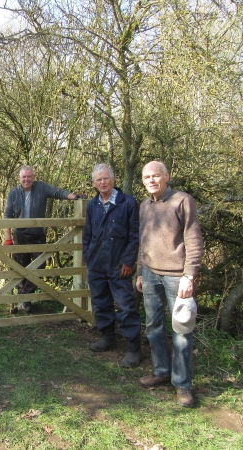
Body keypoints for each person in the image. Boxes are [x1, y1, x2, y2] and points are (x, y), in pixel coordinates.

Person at [136, 161, 203, 408]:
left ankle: (183, 385)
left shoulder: (182, 201)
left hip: (177, 276)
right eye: (146, 177)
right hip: (151, 274)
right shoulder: (144, 205)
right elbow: (142, 241)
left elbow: (193, 239)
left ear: (167, 176)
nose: (151, 180)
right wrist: (141, 272)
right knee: (154, 326)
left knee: (182, 331)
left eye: (156, 176)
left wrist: (190, 275)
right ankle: (162, 371)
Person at [83, 164, 142, 368]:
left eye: (105, 178)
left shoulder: (128, 203)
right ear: (93, 183)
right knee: (100, 302)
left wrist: (128, 261)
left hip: (119, 264)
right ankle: (108, 338)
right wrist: (88, 258)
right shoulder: (93, 205)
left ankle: (134, 348)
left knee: (125, 305)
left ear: (113, 179)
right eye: (98, 180)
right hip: (97, 263)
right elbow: (87, 236)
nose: (102, 182)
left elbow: (135, 236)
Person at [4, 165, 80, 312]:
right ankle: (26, 302)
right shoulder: (13, 193)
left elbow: (57, 192)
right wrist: (8, 238)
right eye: (23, 177)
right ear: (19, 178)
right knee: (21, 268)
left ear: (34, 177)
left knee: (40, 266)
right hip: (19, 235)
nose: (26, 179)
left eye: (29, 176)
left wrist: (74, 197)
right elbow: (7, 215)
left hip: (37, 235)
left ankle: (23, 297)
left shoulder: (42, 188)